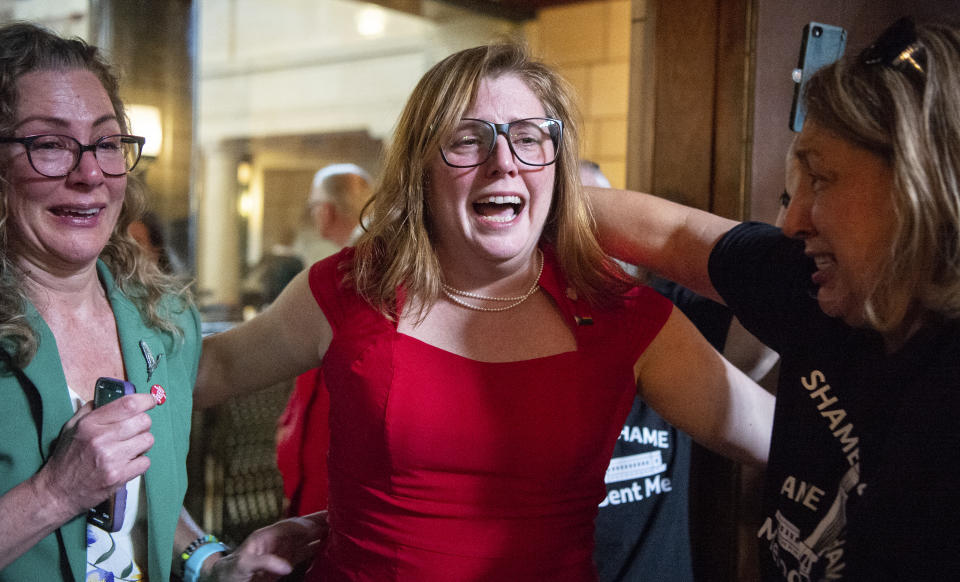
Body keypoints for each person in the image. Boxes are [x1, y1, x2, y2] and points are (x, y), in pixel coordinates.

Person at [197, 41, 775, 581]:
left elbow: (783, 440)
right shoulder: (351, 287)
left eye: (529, 137)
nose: (504, 162)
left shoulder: (623, 316)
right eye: (469, 139)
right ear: (421, 168)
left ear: (557, 161)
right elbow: (199, 374)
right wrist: (198, 555)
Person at [588, 17, 960, 580]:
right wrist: (527, 200)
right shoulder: (815, 282)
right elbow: (673, 235)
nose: (789, 223)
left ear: (918, 186)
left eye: (822, 179)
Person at [0, 22, 324, 582]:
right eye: (49, 145)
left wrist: (212, 563)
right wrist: (54, 493)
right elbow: (79, 485)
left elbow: (144, 496)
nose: (90, 174)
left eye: (105, 143)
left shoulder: (160, 319)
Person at [585, 160, 780, 582]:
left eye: (599, 223)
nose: (585, 246)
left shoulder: (658, 315)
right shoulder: (516, 338)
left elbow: (763, 338)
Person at [276, 163, 373, 517]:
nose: (314, 213)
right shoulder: (352, 265)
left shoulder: (351, 272)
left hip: (334, 472)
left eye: (314, 205)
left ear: (327, 210)